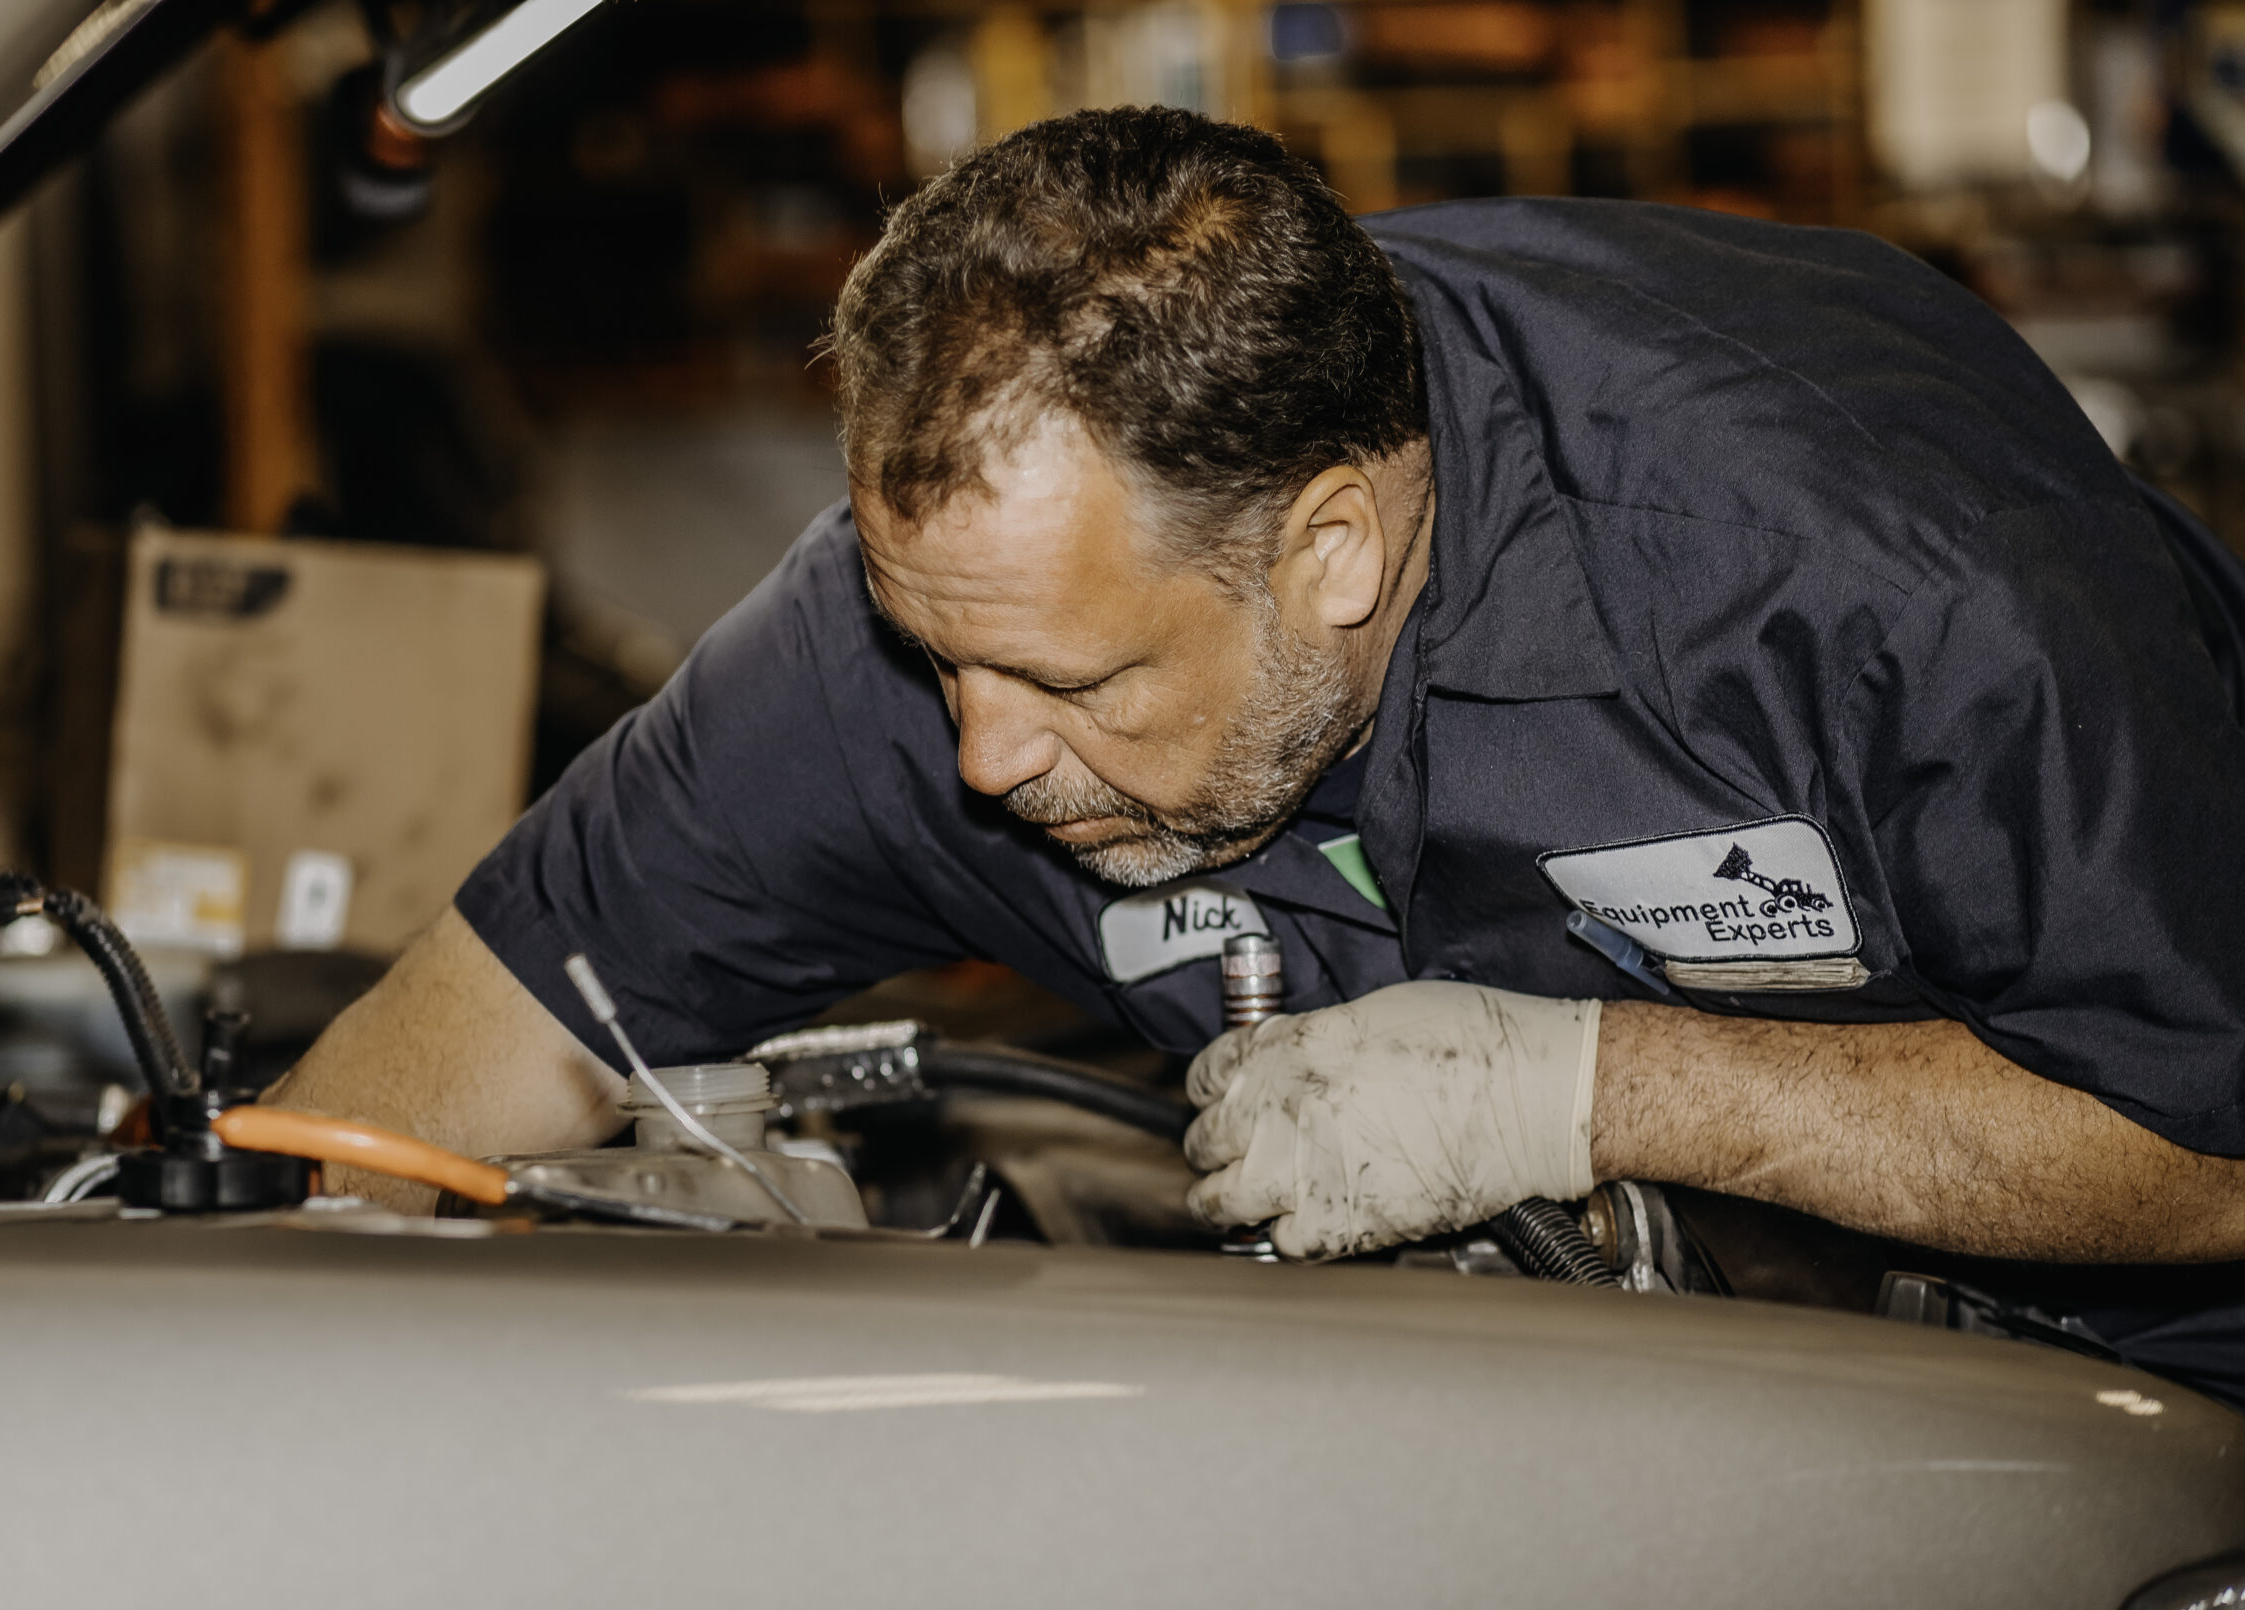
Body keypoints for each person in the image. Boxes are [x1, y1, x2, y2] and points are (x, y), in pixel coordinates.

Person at [273, 108, 2245, 1290]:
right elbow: (478, 1034)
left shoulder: (1867, 581)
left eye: (1067, 679)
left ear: (1331, 550)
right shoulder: (936, 626)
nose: (976, 749)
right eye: (935, 654)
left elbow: (2206, 1141)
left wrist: (1587, 1089)